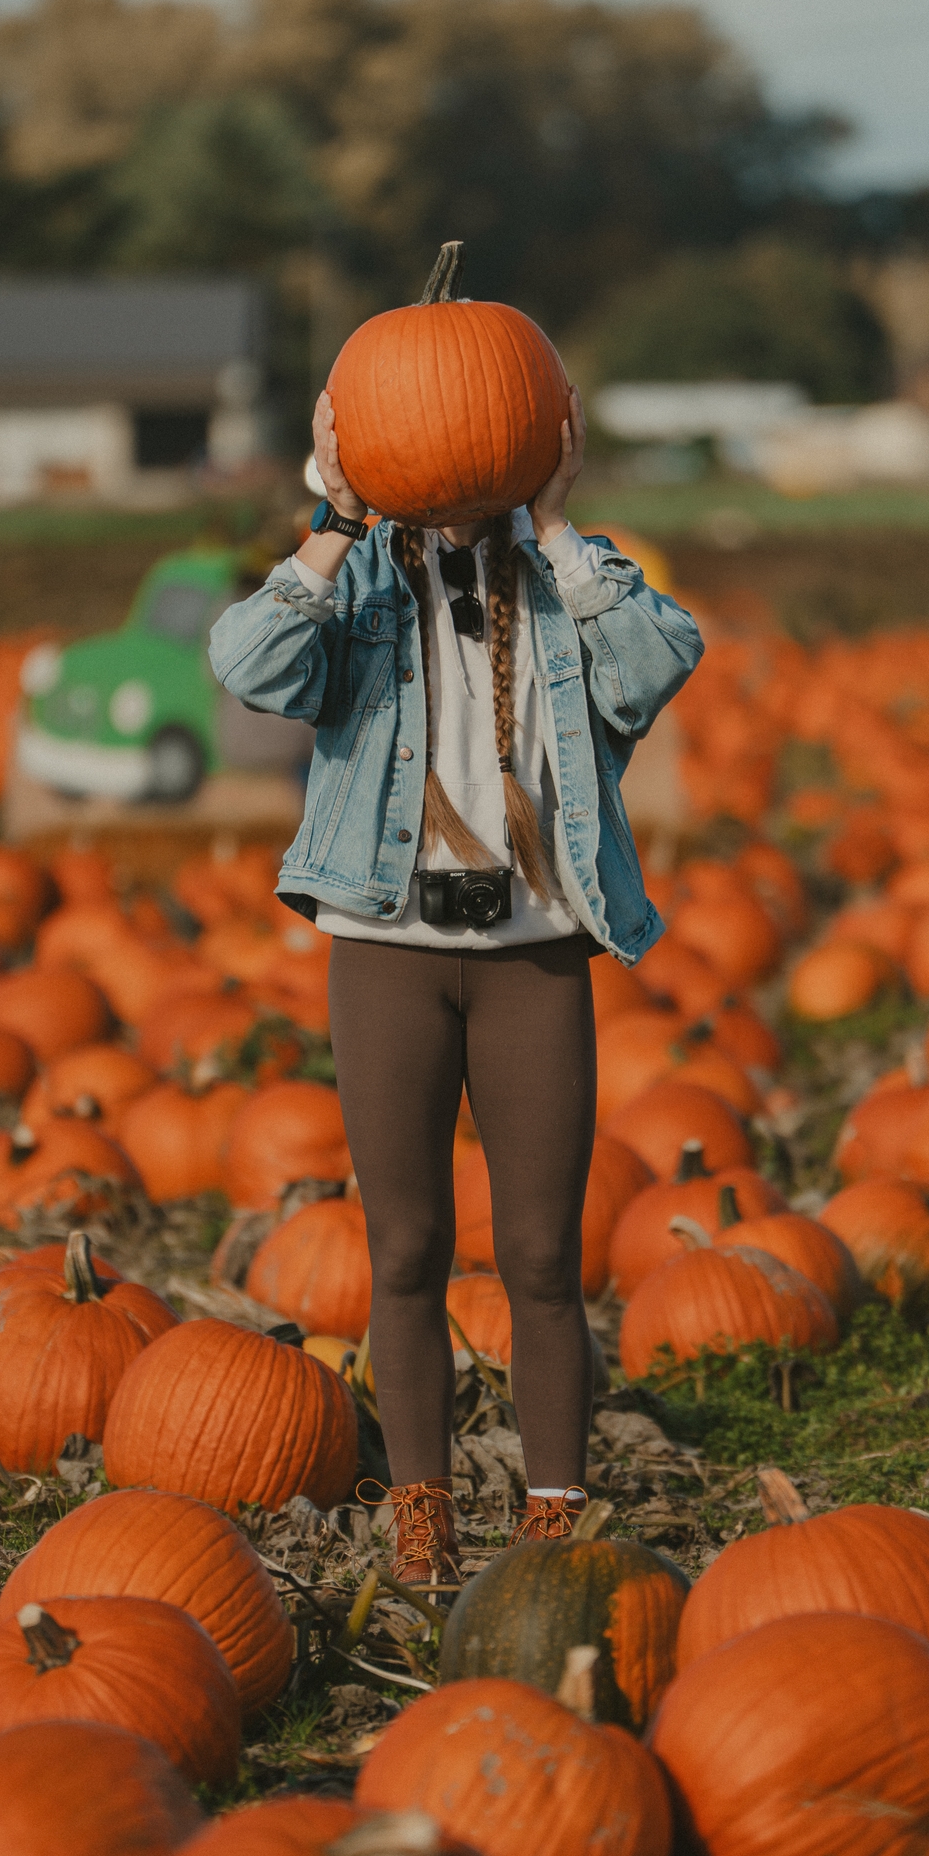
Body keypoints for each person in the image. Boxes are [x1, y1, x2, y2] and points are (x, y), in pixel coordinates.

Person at [208, 381, 703, 1590]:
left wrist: (559, 525)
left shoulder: (563, 582)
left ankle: (552, 1510)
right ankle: (420, 1508)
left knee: (541, 1255)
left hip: (532, 953)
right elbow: (249, 666)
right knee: (407, 1248)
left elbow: (653, 667)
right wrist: (332, 516)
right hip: (387, 950)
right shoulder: (364, 582)